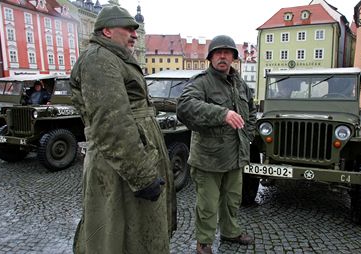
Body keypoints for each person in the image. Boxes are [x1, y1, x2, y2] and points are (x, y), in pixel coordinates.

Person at [69, 6, 175, 254]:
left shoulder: (114, 58)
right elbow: (111, 124)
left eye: (135, 29)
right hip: (119, 169)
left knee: (136, 233)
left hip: (130, 162)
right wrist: (143, 177)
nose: (134, 34)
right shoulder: (99, 59)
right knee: (115, 235)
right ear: (106, 30)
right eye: (127, 28)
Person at [177, 35, 257, 254]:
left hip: (235, 155)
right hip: (209, 158)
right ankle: (204, 242)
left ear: (233, 57)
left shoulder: (240, 83)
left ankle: (231, 232)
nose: (223, 56)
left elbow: (251, 110)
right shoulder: (201, 81)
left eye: (227, 52)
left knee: (232, 200)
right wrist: (222, 114)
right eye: (218, 53)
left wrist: (247, 135)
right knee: (208, 205)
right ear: (211, 57)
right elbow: (184, 107)